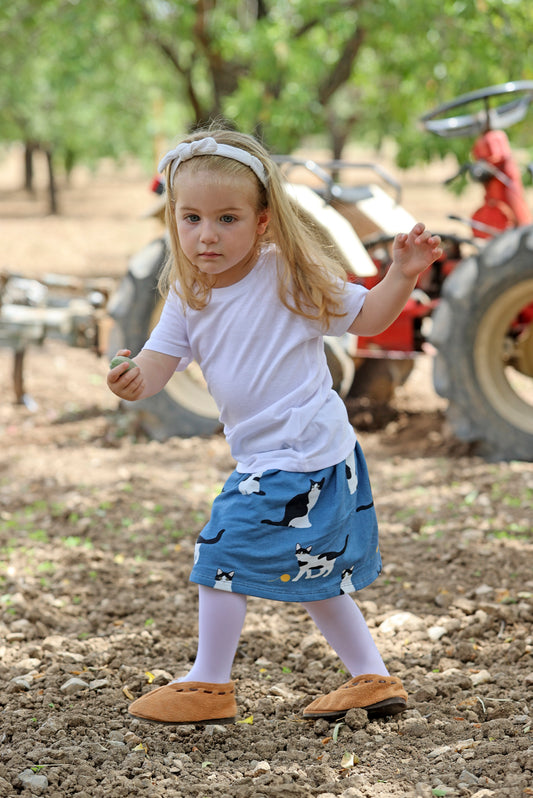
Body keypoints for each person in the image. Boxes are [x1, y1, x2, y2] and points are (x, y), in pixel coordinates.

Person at [107, 127, 442, 725]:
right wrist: (136, 375)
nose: (206, 235)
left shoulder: (285, 274)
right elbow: (162, 359)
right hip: (296, 456)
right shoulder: (190, 292)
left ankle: (209, 684)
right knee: (316, 574)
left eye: (228, 219)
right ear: (173, 218)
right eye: (191, 218)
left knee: (219, 549)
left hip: (301, 454)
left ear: (263, 222)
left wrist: (403, 275)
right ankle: (371, 678)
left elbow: (367, 317)